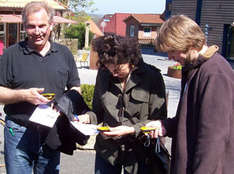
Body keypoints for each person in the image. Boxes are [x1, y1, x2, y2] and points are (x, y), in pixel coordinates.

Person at [146, 15, 234, 174]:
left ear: (188, 42)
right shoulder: (195, 70)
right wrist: (166, 125)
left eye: (172, 50)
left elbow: (213, 137)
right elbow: (189, 120)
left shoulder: (215, 73)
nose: (170, 57)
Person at [0, 2, 80, 174]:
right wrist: (23, 95)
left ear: (51, 25)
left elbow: (75, 88)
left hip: (52, 130)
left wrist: (64, 104)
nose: (37, 32)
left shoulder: (64, 54)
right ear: (24, 26)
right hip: (19, 131)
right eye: (31, 26)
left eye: (42, 26)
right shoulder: (10, 54)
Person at [79, 33, 167, 174]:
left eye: (118, 69)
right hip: (108, 152)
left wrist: (131, 129)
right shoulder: (103, 74)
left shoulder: (152, 77)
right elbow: (97, 112)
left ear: (130, 59)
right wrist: (87, 118)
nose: (113, 74)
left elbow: (159, 121)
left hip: (139, 154)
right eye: (109, 68)